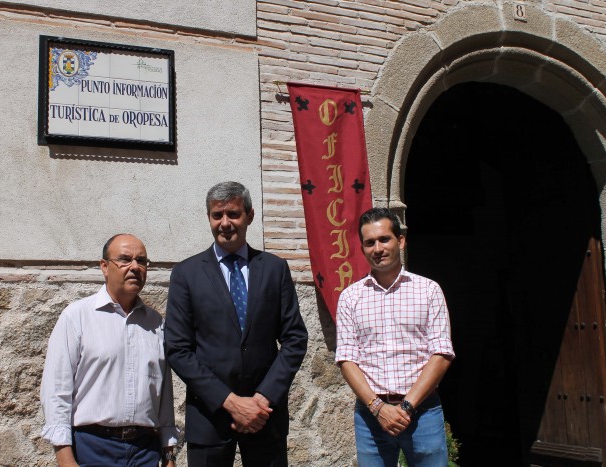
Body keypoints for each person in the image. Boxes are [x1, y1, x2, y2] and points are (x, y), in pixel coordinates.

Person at [165, 181, 308, 467]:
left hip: (264, 417)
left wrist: (262, 399)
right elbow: (178, 349)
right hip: (210, 417)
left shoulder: (274, 269)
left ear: (250, 216)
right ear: (209, 218)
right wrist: (230, 402)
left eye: (233, 214)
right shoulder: (186, 274)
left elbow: (294, 338)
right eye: (217, 215)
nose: (225, 223)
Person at [40, 233, 180, 467]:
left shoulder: (155, 324)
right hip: (92, 448)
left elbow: (163, 394)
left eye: (142, 261)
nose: (135, 267)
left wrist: (168, 454)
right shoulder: (77, 317)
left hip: (145, 451)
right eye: (125, 259)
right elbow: (56, 390)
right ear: (104, 267)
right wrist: (65, 458)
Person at [336, 208, 455, 467]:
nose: (377, 248)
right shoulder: (350, 298)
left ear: (400, 241)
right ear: (362, 248)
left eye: (384, 239)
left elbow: (442, 353)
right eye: (369, 243)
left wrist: (407, 407)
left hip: (422, 412)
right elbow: (346, 359)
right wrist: (378, 408)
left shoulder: (429, 291)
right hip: (371, 416)